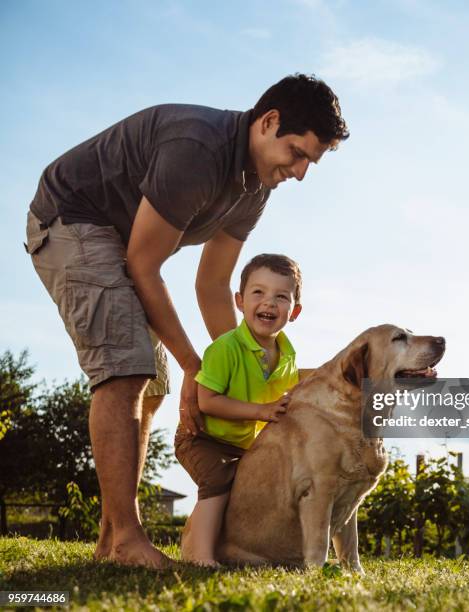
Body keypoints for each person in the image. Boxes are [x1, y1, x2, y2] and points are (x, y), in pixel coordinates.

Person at [24, 74, 349, 568]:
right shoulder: (197, 150)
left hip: (120, 244)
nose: (301, 172)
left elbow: (213, 284)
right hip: (72, 221)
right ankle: (128, 542)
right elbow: (143, 264)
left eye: (310, 162)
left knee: (152, 386)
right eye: (297, 153)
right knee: (126, 371)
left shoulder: (255, 188)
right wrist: (196, 365)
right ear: (269, 122)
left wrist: (240, 366)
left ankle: (111, 542)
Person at [176, 253, 302, 566]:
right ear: (239, 301)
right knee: (218, 482)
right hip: (202, 439)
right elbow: (208, 401)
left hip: (239, 445)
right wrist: (262, 411)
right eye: (258, 292)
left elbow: (290, 389)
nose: (269, 303)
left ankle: (214, 544)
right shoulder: (225, 347)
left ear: (294, 311)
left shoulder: (286, 354)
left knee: (251, 489)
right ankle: (201, 557)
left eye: (281, 296)